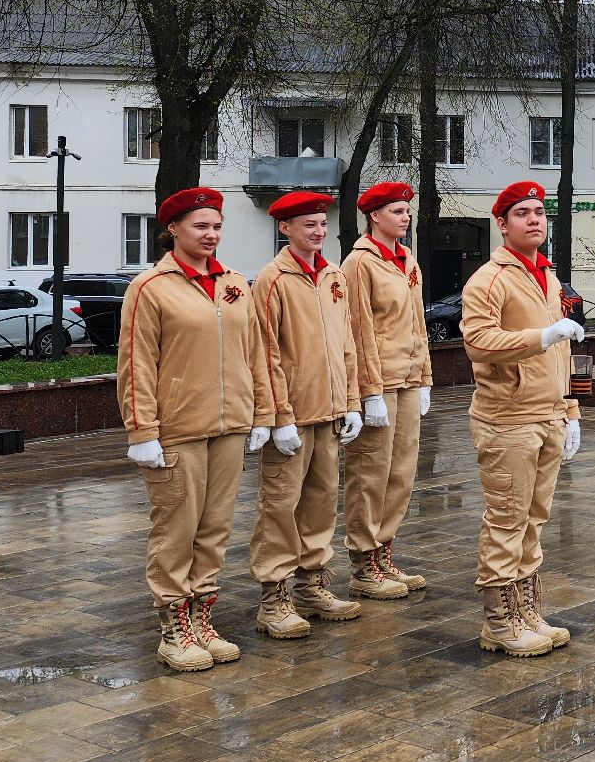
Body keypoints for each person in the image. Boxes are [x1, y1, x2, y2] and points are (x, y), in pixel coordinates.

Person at [118, 187, 273, 672]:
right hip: (177, 430)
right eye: (200, 226)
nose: (211, 235)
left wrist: (262, 414)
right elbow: (136, 364)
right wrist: (142, 430)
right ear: (174, 230)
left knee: (214, 529)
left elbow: (257, 354)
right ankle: (173, 626)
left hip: (229, 425)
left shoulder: (234, 284)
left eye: (217, 226)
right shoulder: (151, 287)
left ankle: (202, 616)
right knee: (176, 530)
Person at [460, 181, 584, 657]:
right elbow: (477, 342)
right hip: (507, 418)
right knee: (507, 521)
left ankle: (528, 611)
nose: (534, 220)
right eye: (522, 213)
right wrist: (543, 335)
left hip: (547, 414)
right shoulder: (489, 280)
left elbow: (564, 351)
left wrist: (571, 408)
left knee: (534, 520)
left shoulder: (546, 276)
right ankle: (500, 621)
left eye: (539, 212)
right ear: (503, 223)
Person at [249, 191, 365, 638]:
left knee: (321, 503)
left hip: (330, 411)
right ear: (285, 229)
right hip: (293, 415)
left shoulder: (334, 274)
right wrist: (279, 415)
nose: (318, 232)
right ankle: (274, 596)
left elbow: (347, 345)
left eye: (321, 224)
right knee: (280, 505)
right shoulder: (272, 280)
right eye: (308, 225)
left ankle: (311, 583)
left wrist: (352, 401)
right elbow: (266, 352)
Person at [340, 181, 434, 599]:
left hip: (409, 377)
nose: (405, 217)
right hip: (379, 382)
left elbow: (418, 323)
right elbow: (357, 327)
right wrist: (369, 390)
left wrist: (426, 376)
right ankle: (363, 561)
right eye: (397, 211)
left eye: (406, 212)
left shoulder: (406, 259)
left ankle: (384, 550)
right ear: (374, 216)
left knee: (402, 472)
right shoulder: (360, 262)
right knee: (370, 473)